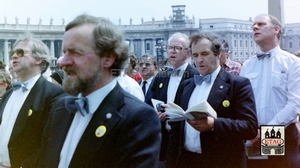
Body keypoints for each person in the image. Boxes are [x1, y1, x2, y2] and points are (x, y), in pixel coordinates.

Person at [38, 14, 161, 167]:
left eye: (76, 53)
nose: (62, 61)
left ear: (108, 58)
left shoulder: (137, 119)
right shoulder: (59, 108)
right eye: (64, 52)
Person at [165, 32, 258, 168]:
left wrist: (214, 124)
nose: (199, 60)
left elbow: (250, 127)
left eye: (205, 54)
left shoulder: (237, 84)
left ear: (218, 54)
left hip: (221, 162)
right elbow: (177, 131)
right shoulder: (187, 85)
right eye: (195, 55)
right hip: (187, 161)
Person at [240, 14, 300, 167]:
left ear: (276, 30)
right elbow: (242, 102)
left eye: (260, 24)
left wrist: (267, 132)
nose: (255, 27)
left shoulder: (292, 63)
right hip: (252, 134)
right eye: (253, 25)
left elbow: (294, 105)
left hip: (279, 132)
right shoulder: (247, 65)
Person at [0, 35, 66, 168]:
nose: (13, 56)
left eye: (20, 52)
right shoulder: (8, 94)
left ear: (38, 59)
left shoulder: (54, 94)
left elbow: (50, 144)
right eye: (13, 53)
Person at [151, 32, 199, 164]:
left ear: (188, 53)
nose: (172, 51)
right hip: (164, 139)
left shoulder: (196, 76)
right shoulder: (161, 76)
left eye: (177, 48)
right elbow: (149, 102)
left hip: (185, 140)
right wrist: (156, 114)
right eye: (170, 47)